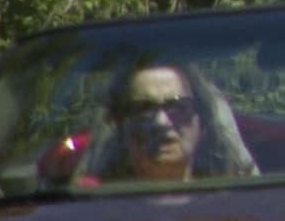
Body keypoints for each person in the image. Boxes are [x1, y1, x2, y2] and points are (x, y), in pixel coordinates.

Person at [99, 52, 254, 184]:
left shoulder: (233, 204)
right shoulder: (98, 205)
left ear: (201, 122)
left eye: (178, 107)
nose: (161, 122)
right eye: (144, 109)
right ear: (121, 126)